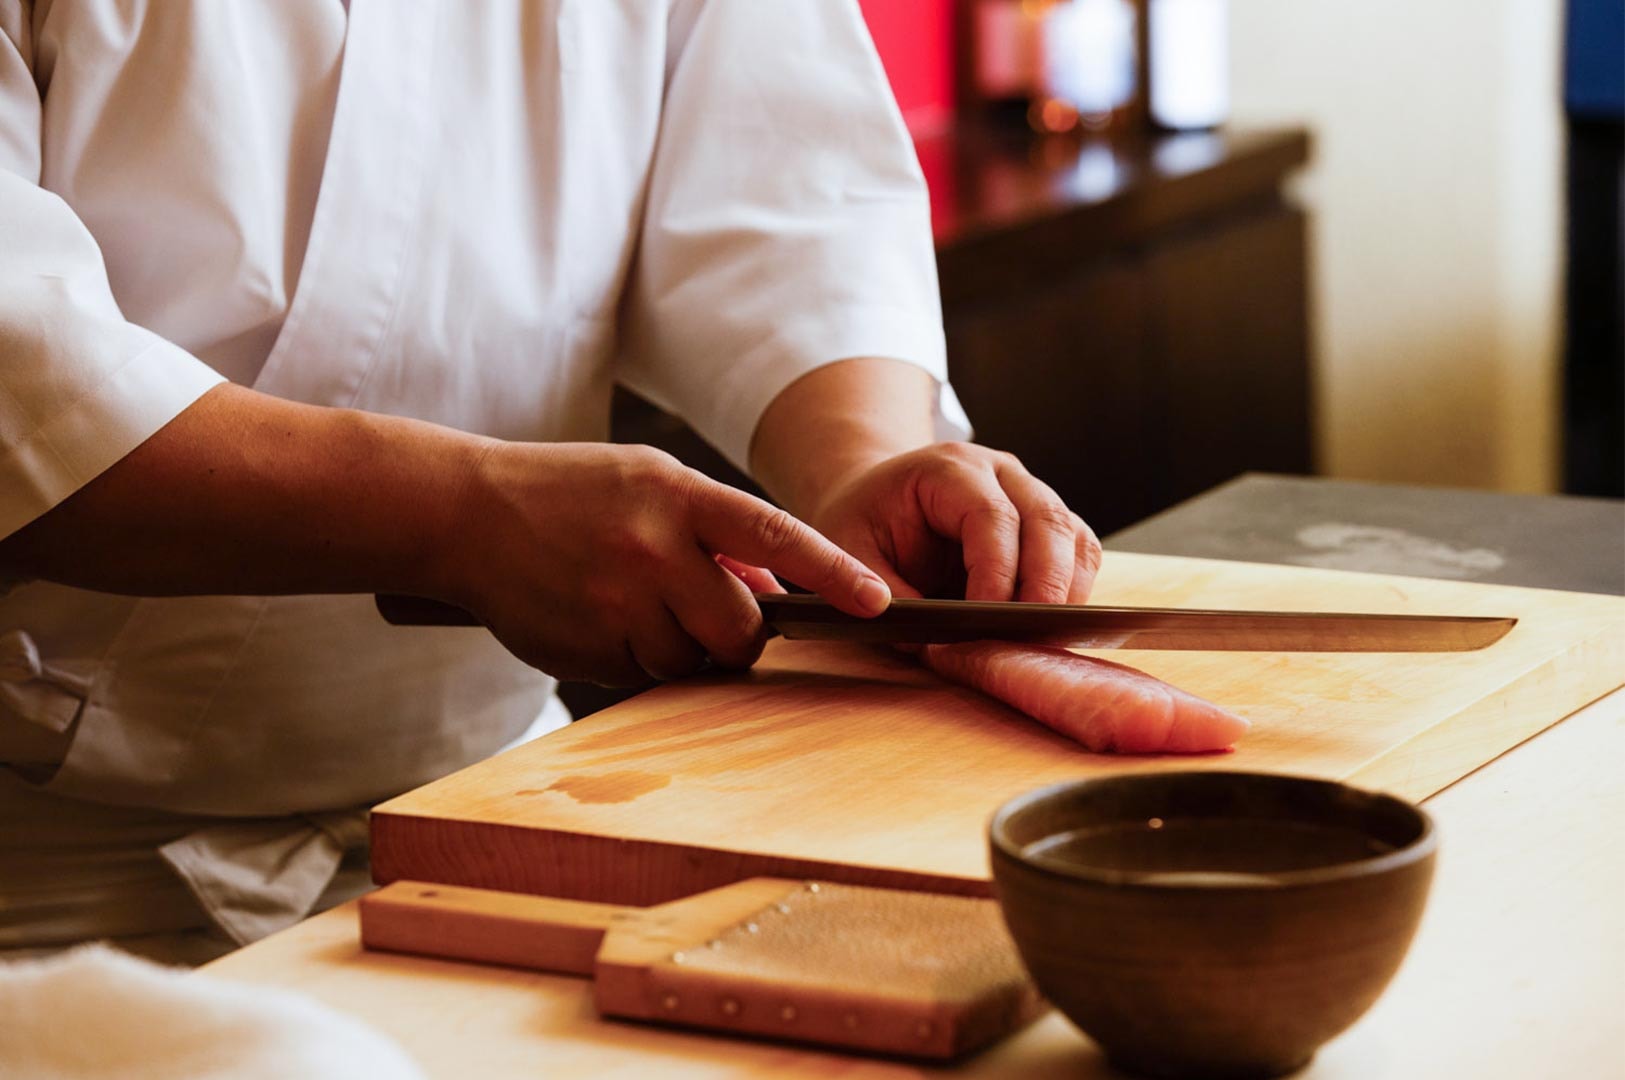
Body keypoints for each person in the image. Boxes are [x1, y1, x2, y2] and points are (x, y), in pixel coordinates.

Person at [0, 1, 1100, 962]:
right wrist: (459, 520)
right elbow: (26, 376)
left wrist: (861, 455)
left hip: (501, 806)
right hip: (53, 897)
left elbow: (795, 200)